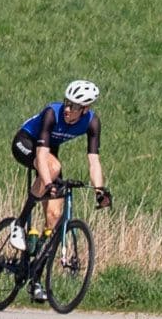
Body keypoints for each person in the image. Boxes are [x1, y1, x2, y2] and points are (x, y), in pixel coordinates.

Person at [9, 81, 111, 252]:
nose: (67, 109)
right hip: (26, 142)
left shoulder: (92, 122)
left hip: (49, 152)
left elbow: (94, 162)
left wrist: (99, 191)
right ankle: (19, 224)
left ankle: (36, 261)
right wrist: (48, 184)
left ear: (85, 109)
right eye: (66, 102)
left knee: (55, 215)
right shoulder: (52, 113)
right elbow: (41, 156)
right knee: (54, 167)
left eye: (73, 106)